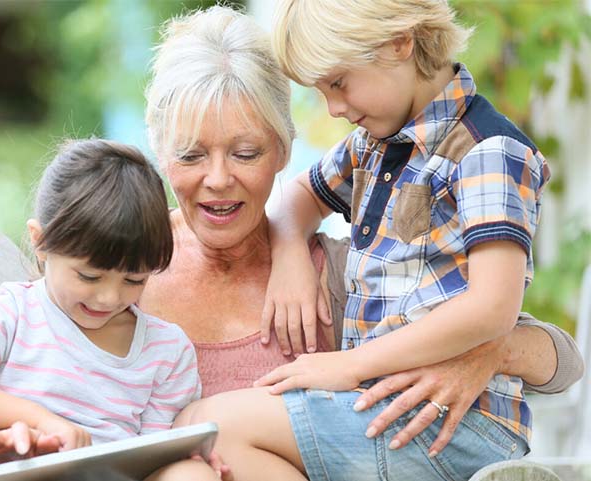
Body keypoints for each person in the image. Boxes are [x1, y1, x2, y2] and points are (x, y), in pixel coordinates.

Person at [0, 6, 584, 481]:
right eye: (192, 154)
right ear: (160, 154)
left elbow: (561, 361)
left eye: (246, 152)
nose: (219, 179)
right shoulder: (108, 263)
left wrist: (492, 350)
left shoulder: (338, 271)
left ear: (282, 150)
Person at [173, 0, 556, 479]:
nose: (334, 108)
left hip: (458, 423)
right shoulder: (373, 147)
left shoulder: (487, 150)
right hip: (388, 409)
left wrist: (349, 365)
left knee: (209, 425)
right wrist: (290, 253)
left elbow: (493, 307)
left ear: (399, 44)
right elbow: (298, 199)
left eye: (338, 83)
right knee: (204, 439)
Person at [0, 140, 205, 466]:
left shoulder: (166, 351)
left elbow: (150, 461)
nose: (109, 297)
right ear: (41, 243)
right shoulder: (16, 315)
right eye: (89, 277)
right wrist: (36, 418)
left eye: (134, 281)